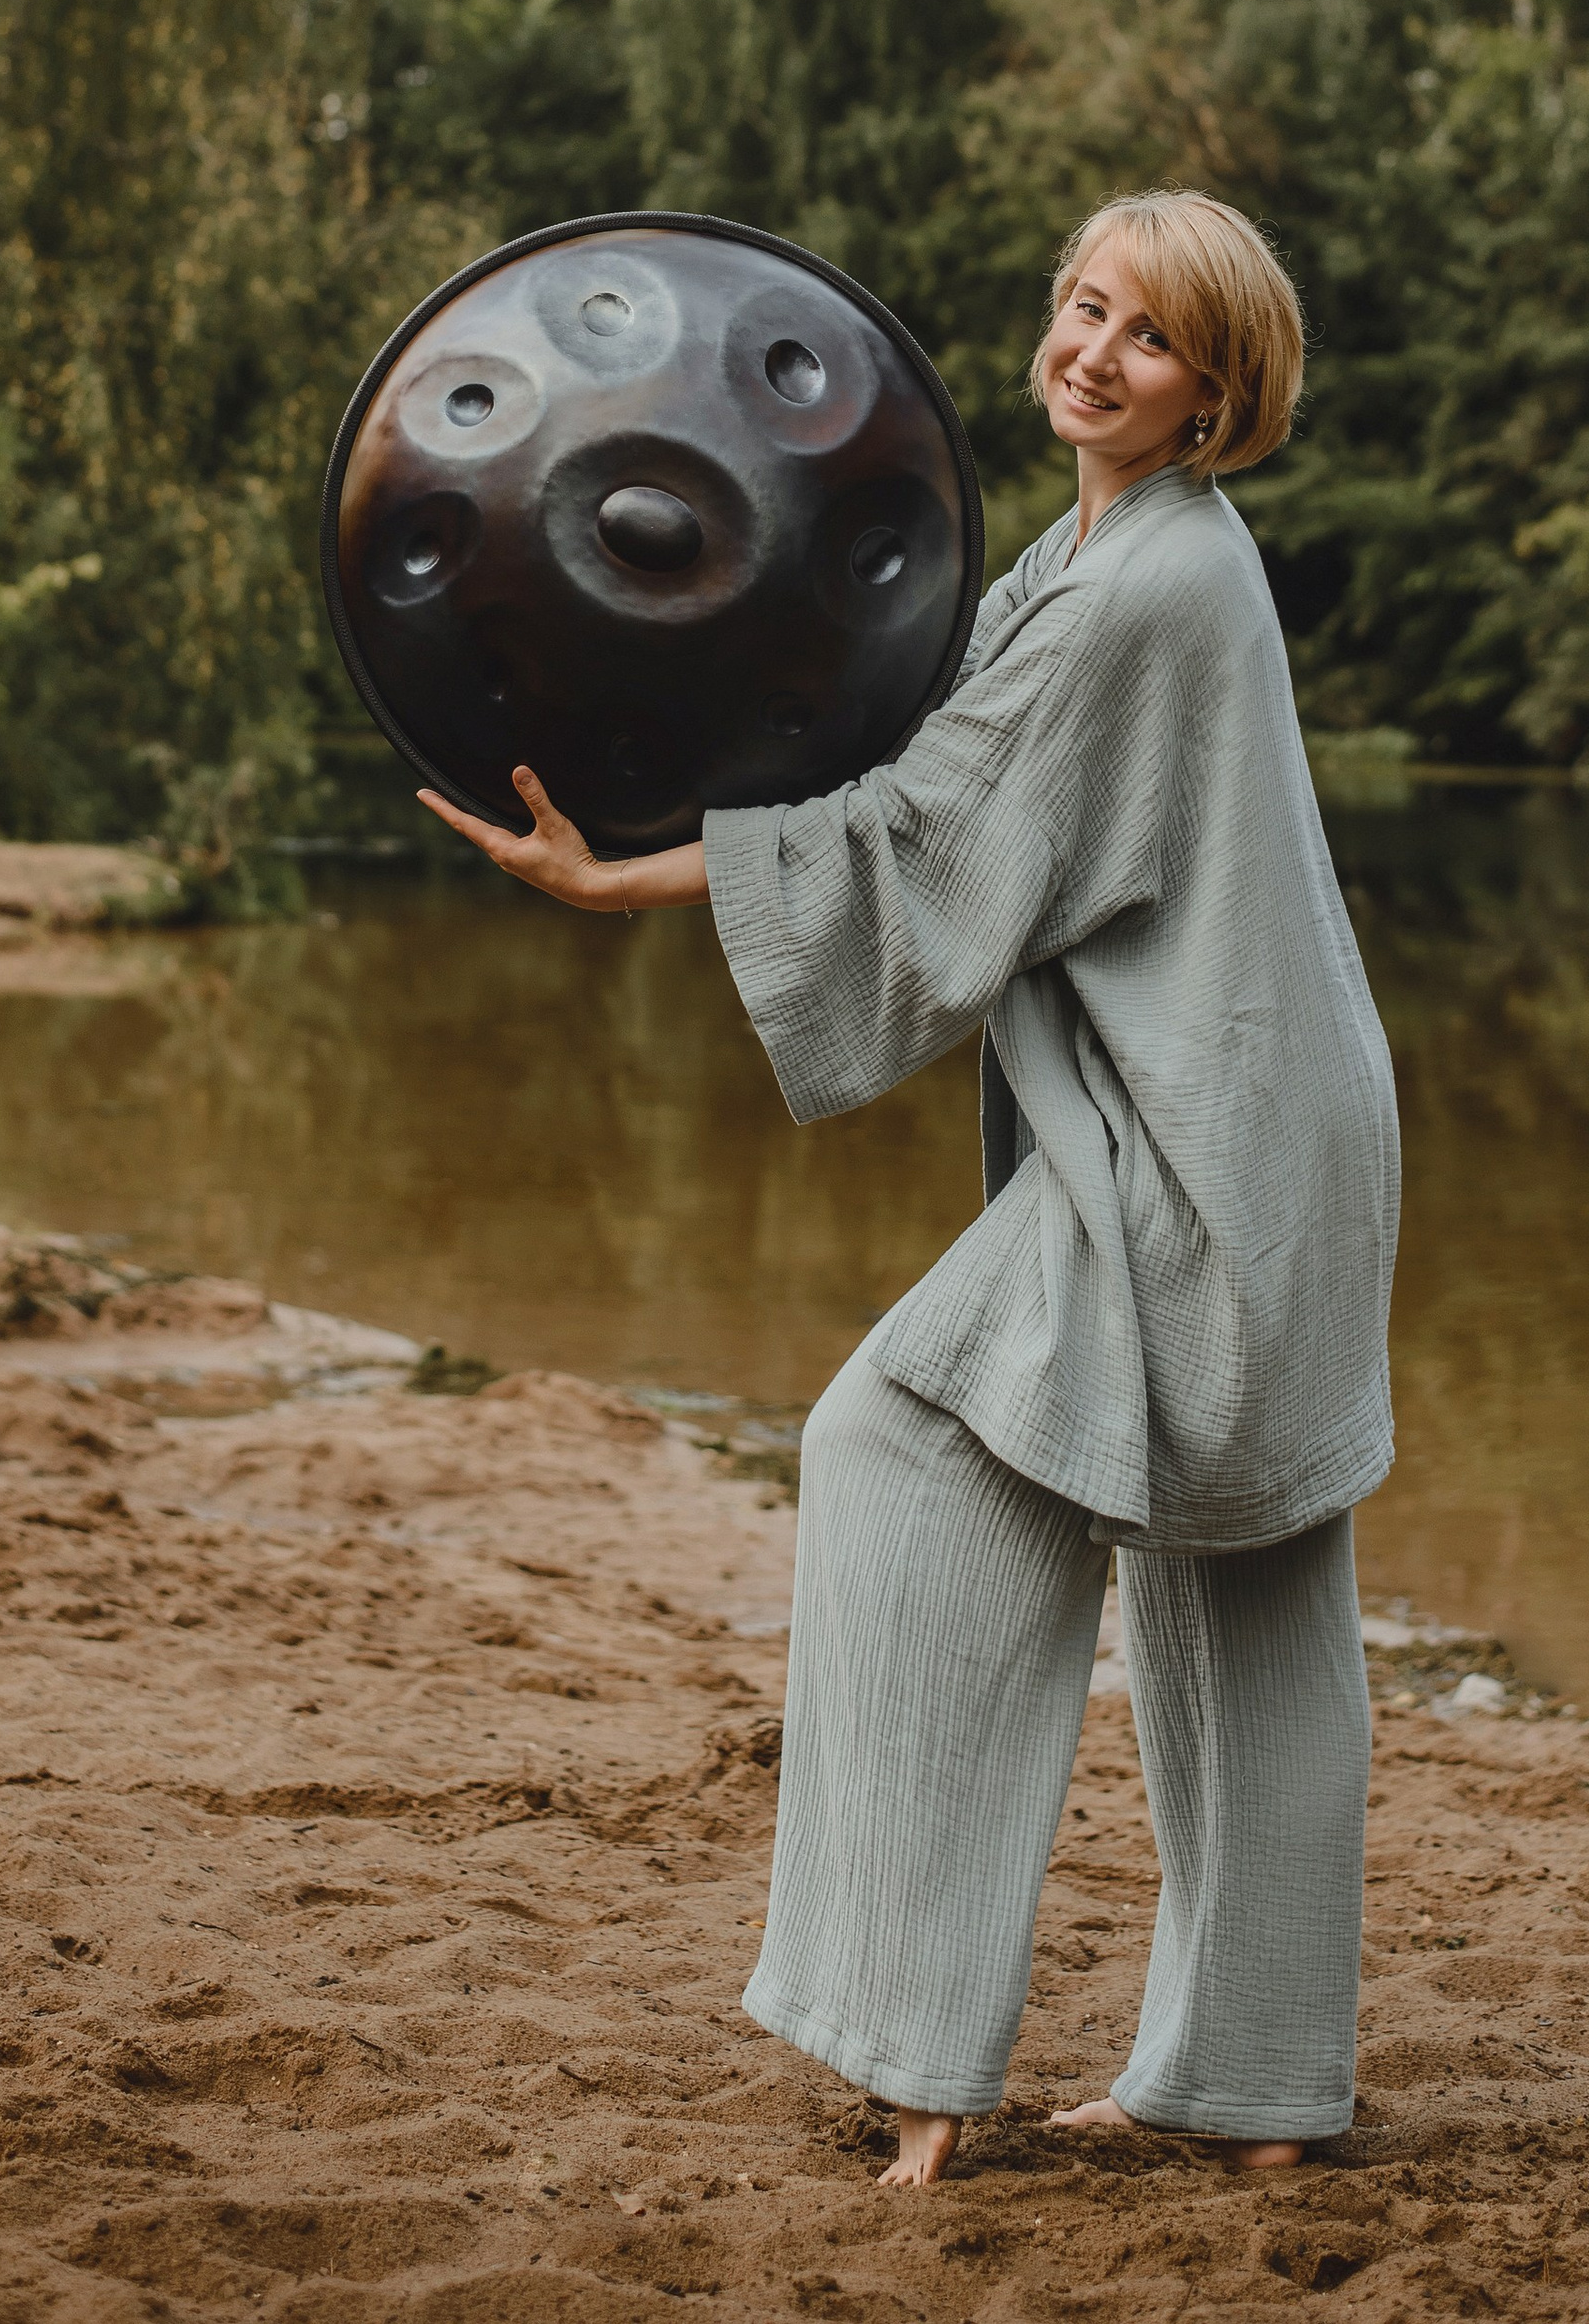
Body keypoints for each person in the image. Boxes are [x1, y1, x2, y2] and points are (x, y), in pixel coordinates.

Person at [420, 187, 1401, 2189]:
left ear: (1216, 391)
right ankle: (1255, 2090)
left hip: (1208, 1141)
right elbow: (921, 766)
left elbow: (938, 829)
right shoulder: (1100, 551)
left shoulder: (1147, 586)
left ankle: (922, 2049)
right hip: (1260, 1116)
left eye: (1147, 334)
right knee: (1240, 1579)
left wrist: (622, 876)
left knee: (894, 1447)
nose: (1090, 352)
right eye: (1081, 305)